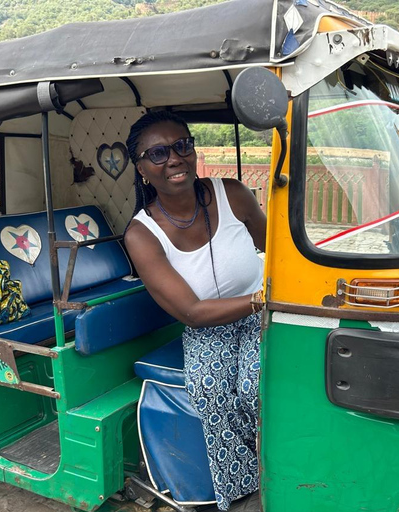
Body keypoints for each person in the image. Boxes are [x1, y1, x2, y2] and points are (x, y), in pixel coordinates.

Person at [124, 111, 266, 510]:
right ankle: (241, 495)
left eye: (182, 146)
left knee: (258, 386)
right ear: (141, 168)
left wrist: (267, 301)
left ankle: (281, 473)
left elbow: (274, 245)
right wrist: (261, 298)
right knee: (211, 392)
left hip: (262, 317)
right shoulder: (141, 233)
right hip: (210, 326)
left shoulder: (232, 193)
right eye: (158, 152)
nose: (174, 159)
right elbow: (191, 311)